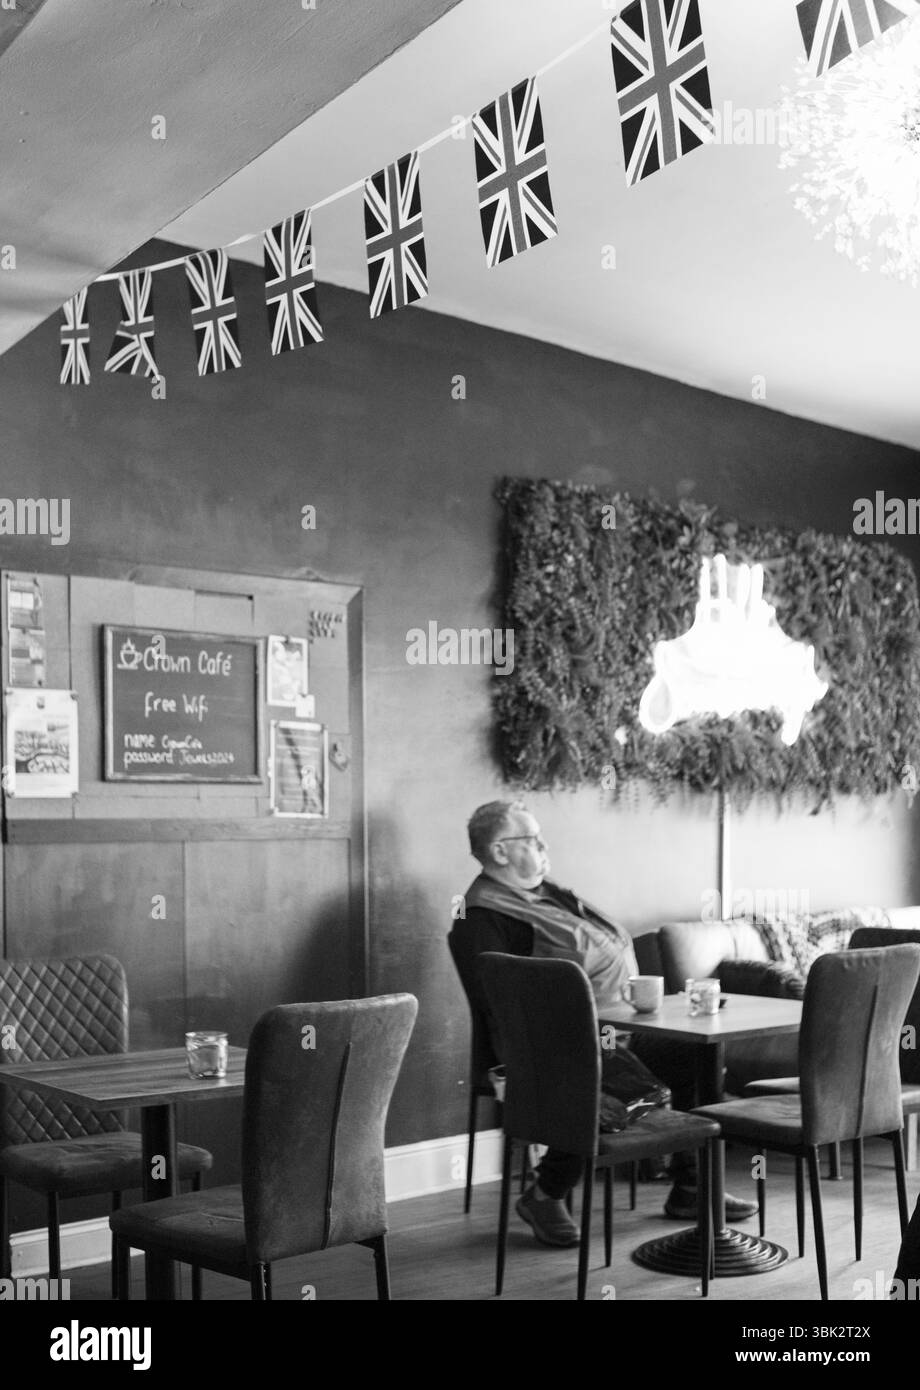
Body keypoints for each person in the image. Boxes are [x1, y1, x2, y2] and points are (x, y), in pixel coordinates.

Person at [448, 799, 758, 1249]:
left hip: (616, 1030)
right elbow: (504, 1004)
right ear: (499, 851)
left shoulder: (547, 896)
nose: (544, 846)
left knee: (693, 1052)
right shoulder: (480, 920)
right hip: (546, 1049)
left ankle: (693, 1184)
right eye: (531, 839)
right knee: (594, 1072)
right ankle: (546, 1191)